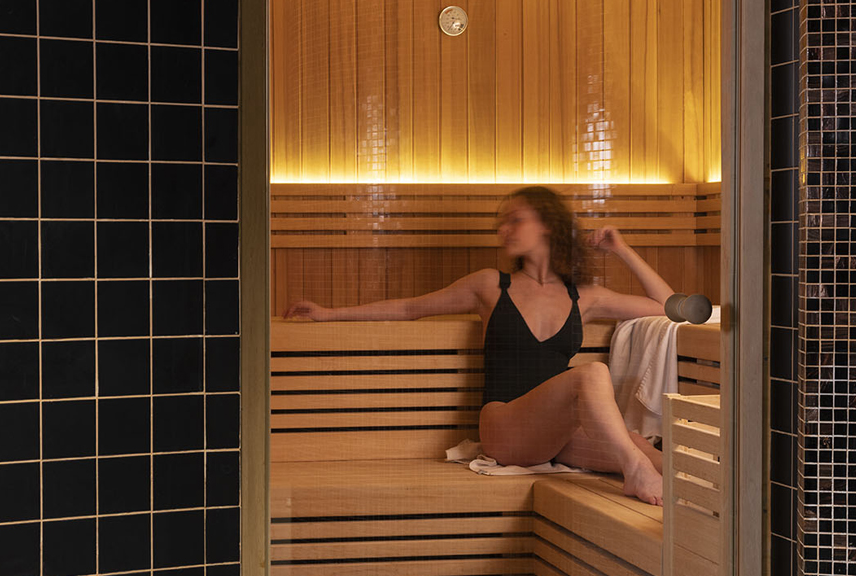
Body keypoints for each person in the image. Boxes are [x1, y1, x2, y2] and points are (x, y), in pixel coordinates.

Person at [284, 186, 674, 504]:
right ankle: (634, 471)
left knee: (653, 456)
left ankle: (661, 483)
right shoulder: (490, 285)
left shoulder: (583, 296)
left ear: (548, 225)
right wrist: (328, 314)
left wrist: (621, 249)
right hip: (504, 427)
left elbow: (667, 306)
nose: (504, 230)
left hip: (554, 436)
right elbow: (408, 308)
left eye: (515, 219)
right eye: (502, 223)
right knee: (592, 376)